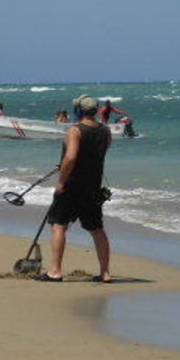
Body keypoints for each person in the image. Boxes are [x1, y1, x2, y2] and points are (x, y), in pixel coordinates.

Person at [36, 94, 113, 283]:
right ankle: (105, 273)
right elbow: (98, 152)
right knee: (97, 229)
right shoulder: (106, 131)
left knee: (59, 226)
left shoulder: (75, 130)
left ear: (78, 110)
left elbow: (71, 157)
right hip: (93, 187)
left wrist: (61, 182)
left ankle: (55, 271)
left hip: (72, 186)